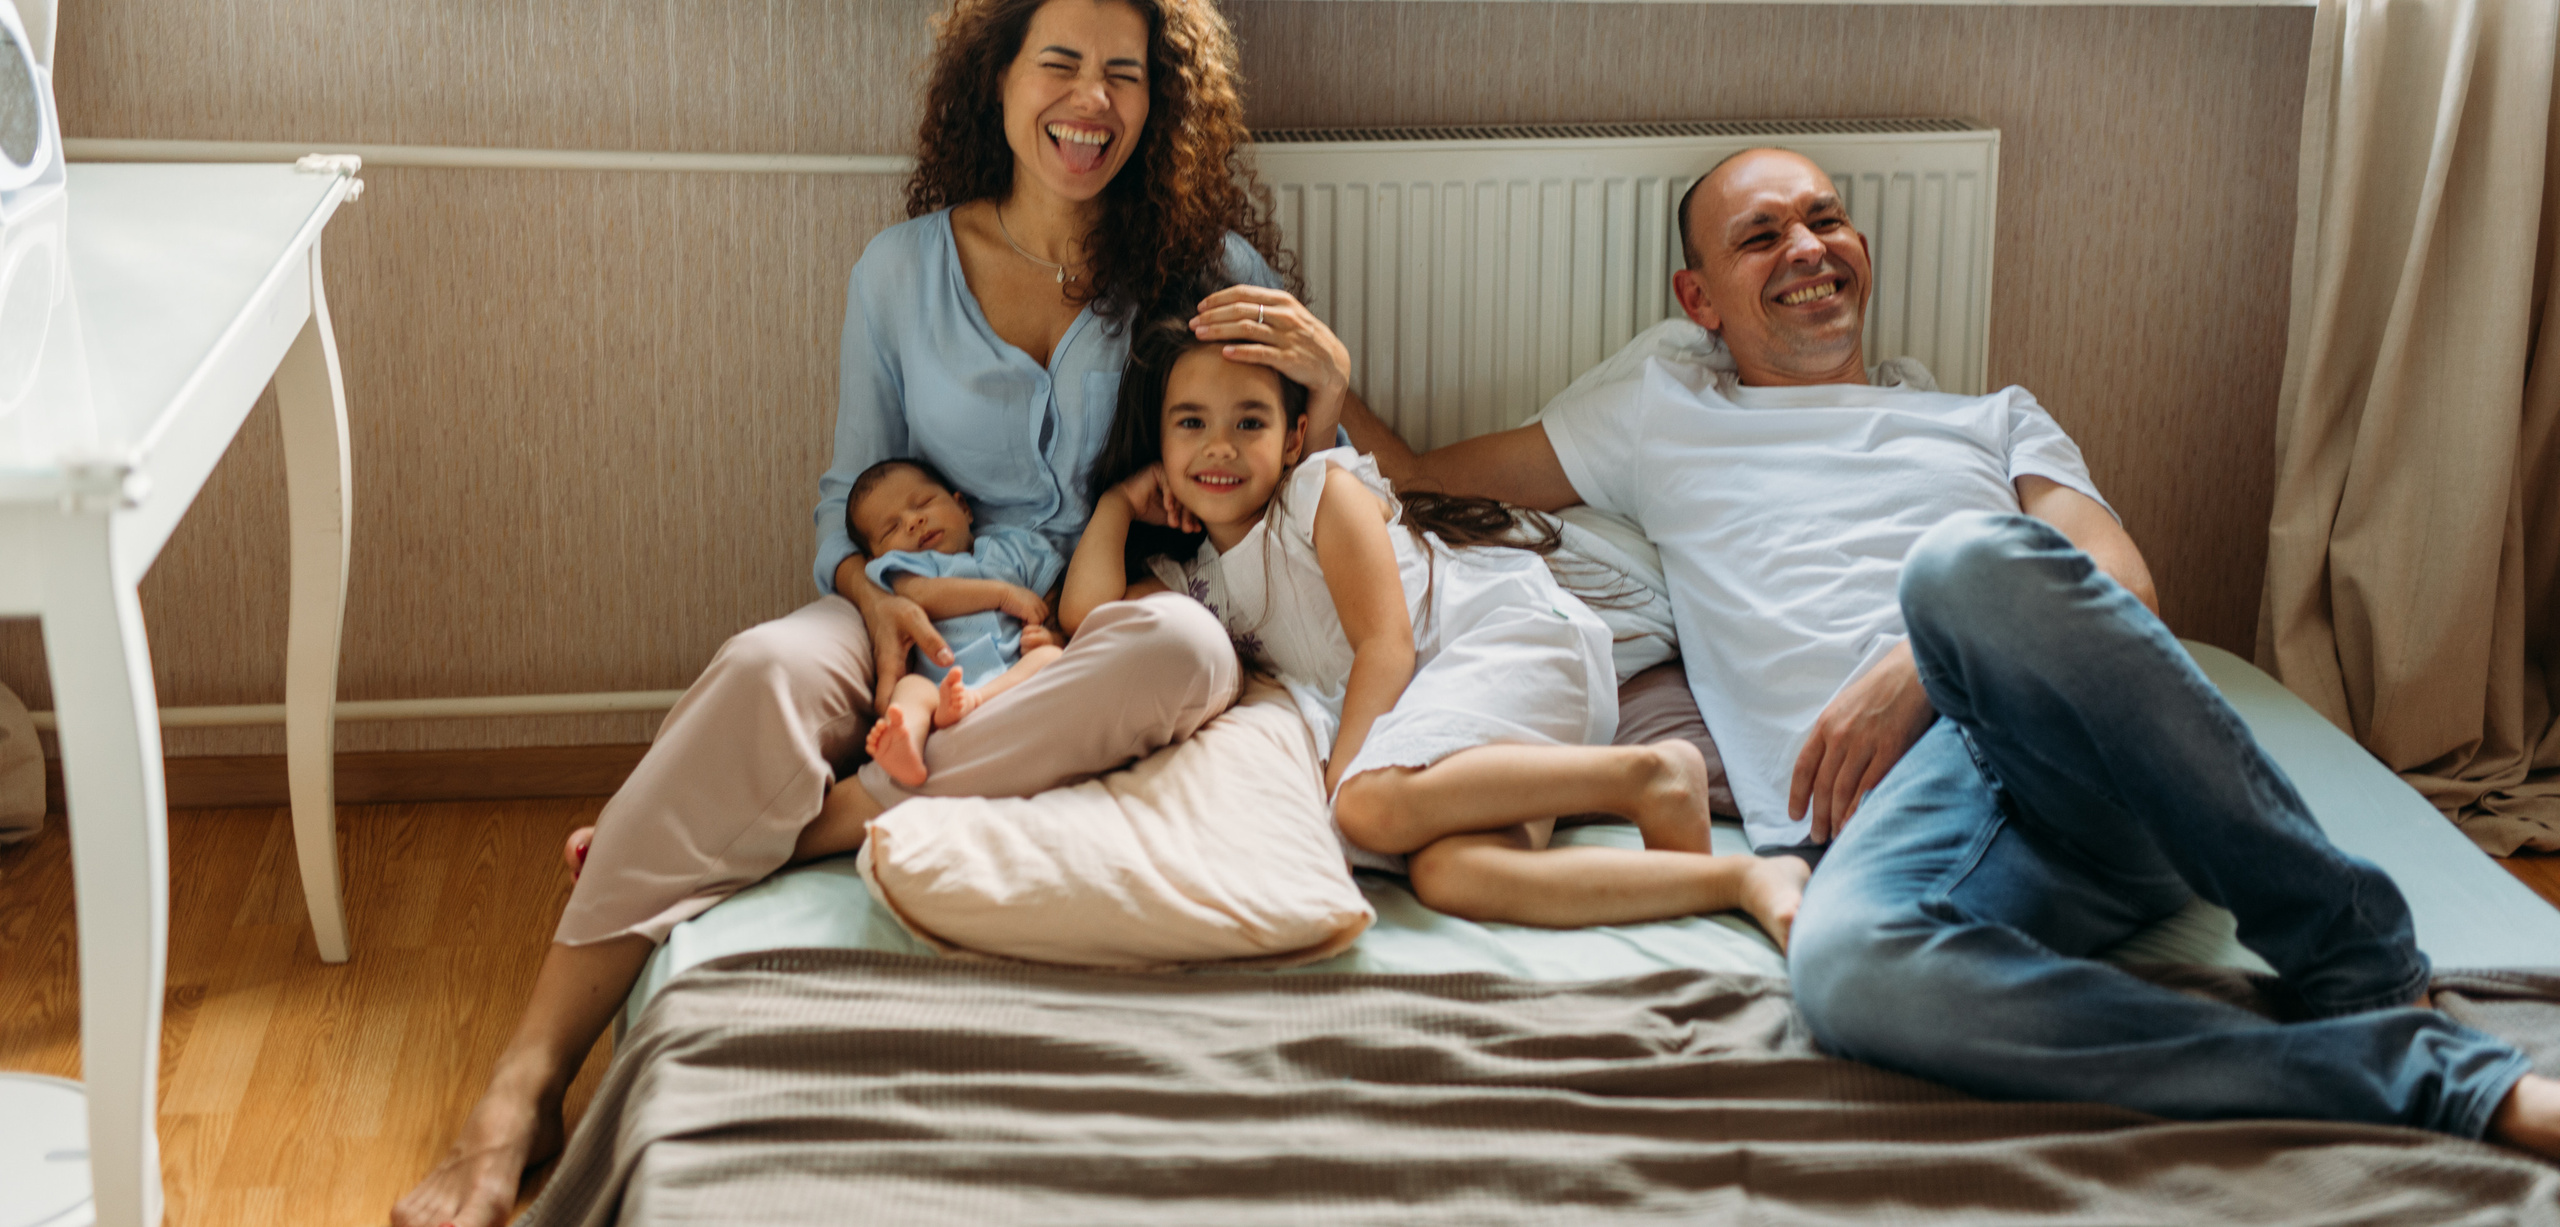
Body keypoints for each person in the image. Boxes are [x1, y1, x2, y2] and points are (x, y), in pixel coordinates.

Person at [393, 0, 1365, 1227]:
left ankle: (820, 818)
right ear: (999, 83)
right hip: (913, 592)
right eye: (1060, 63)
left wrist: (1332, 383)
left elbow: (1316, 490)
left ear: (1161, 102)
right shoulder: (899, 269)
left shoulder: (1205, 269)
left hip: (1090, 619)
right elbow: (839, 491)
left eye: (1125, 74)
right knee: (758, 669)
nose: (1092, 102)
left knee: (1188, 653)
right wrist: (870, 598)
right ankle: (520, 1084)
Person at [1368, 145, 2560, 1153]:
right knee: (1846, 975)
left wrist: (1920, 661)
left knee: (1963, 564)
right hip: (1927, 841)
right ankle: (2430, 1078)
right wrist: (1304, 364)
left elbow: (2122, 586)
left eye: (1827, 218)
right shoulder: (1651, 418)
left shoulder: (1988, 418)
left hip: (2099, 761)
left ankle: (2357, 953)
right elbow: (1414, 478)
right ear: (1697, 298)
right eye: (1761, 234)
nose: (1808, 247)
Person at [1064, 301, 1810, 940]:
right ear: (1159, 443)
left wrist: (1333, 795)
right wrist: (1118, 504)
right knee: (1454, 874)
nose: (1219, 446)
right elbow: (1090, 618)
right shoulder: (1191, 583)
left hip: (1511, 644)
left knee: (1365, 805)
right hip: (1454, 725)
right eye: (1190, 423)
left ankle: (1648, 774)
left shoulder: (1320, 494)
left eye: (1249, 421)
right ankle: (1739, 880)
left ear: (1292, 440)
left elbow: (1385, 645)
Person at [844, 457, 1068, 786]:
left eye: (923, 503)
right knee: (909, 690)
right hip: (939, 689)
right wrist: (1003, 595)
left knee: (1051, 657)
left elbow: (1051, 607)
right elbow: (921, 596)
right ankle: (906, 741)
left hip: (1012, 679)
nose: (913, 521)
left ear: (962, 506)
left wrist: (1048, 638)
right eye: (891, 528)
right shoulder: (907, 569)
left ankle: (977, 701)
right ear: (877, 558)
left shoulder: (1015, 550)